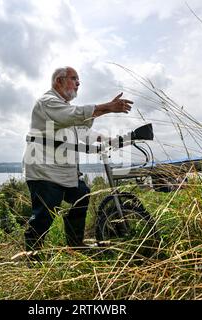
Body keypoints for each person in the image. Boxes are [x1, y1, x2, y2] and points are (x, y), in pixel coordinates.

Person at [22, 66, 133, 255]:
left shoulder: (64, 109)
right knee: (44, 215)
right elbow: (72, 115)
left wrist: (111, 140)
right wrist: (107, 107)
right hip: (44, 170)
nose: (78, 83)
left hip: (65, 171)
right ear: (59, 81)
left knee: (81, 195)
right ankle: (32, 255)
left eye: (79, 80)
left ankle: (75, 245)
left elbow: (85, 133)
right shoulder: (47, 102)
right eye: (74, 79)